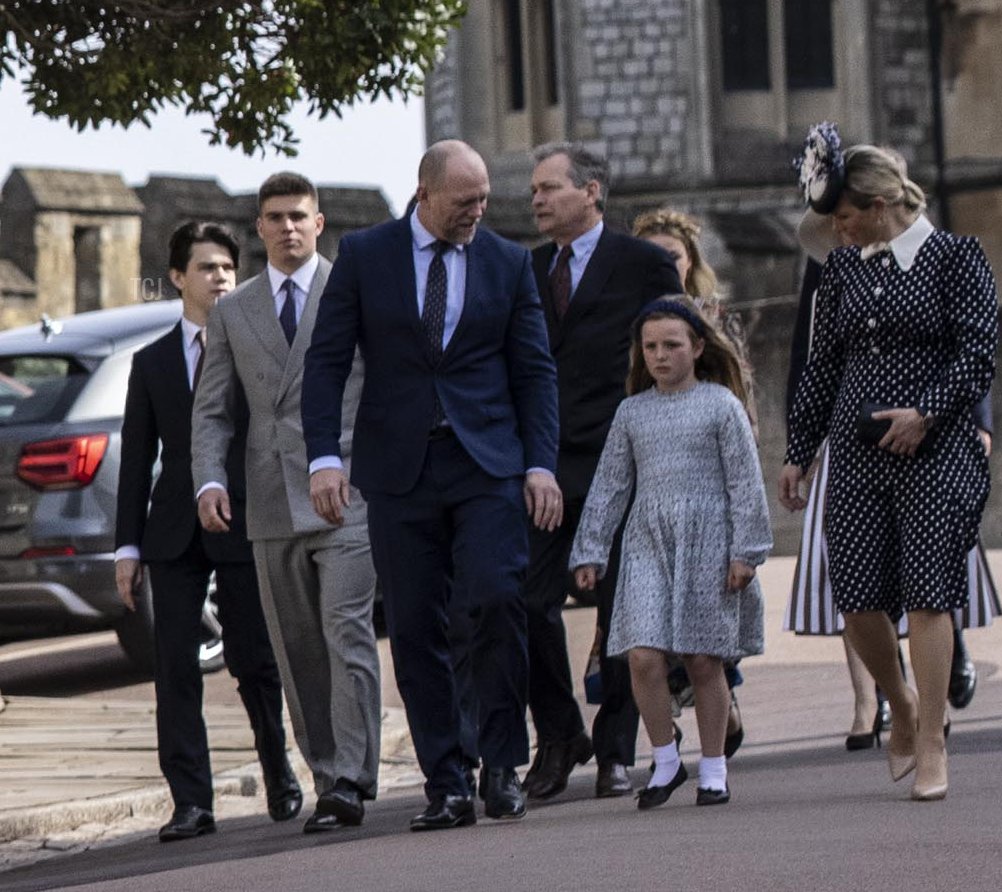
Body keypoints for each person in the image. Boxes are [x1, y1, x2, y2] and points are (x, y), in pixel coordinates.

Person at [302, 140, 562, 831]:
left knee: (497, 597)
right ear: (425, 193)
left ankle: (502, 764)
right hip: (398, 470)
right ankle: (446, 780)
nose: (479, 211)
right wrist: (323, 457)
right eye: (464, 200)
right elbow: (326, 362)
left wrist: (540, 463)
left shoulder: (508, 262)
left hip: (488, 465)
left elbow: (535, 372)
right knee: (416, 625)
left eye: (483, 199)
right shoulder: (365, 256)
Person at [778, 126, 998, 802]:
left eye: (843, 217)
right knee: (856, 600)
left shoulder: (957, 257)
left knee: (930, 592)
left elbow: (978, 353)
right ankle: (899, 705)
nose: (837, 231)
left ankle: (931, 738)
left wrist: (924, 413)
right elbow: (822, 367)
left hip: (934, 449)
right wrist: (798, 450)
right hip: (853, 450)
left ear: (878, 205)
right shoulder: (842, 270)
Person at [192, 173, 382, 834]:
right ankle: (327, 772)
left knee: (346, 630)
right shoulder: (233, 310)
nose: (288, 227)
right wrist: (208, 480)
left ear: (320, 222)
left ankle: (353, 778)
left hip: (347, 493)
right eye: (275, 217)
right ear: (259, 227)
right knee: (297, 648)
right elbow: (212, 410)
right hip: (270, 501)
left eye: (299, 215)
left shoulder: (351, 290)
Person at [115, 222, 300, 842]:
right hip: (171, 534)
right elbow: (138, 458)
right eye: (206, 268)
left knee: (256, 661)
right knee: (174, 668)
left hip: (245, 521)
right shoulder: (151, 362)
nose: (220, 278)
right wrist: (126, 548)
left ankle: (278, 770)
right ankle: (191, 802)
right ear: (176, 279)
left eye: (227, 267)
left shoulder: (255, 346)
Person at [523, 142, 683, 801]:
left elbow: (677, 351)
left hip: (622, 459)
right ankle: (561, 735)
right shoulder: (521, 269)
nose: (537, 199)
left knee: (623, 609)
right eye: (533, 189)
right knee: (526, 601)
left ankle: (617, 749)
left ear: (591, 191)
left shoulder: (646, 265)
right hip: (543, 467)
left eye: (550, 187)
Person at [570, 296, 771, 808]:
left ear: (698, 347)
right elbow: (612, 484)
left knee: (704, 659)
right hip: (646, 541)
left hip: (709, 539)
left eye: (672, 345)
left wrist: (746, 551)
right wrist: (590, 549)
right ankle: (663, 760)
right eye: (651, 347)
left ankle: (714, 766)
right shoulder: (632, 412)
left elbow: (745, 483)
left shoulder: (721, 405)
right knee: (641, 654)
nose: (660, 356)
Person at [630, 207, 750, 753]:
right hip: (651, 505)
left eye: (670, 257)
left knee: (704, 644)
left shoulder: (711, 325)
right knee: (646, 641)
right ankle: (666, 743)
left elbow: (739, 398)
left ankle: (715, 727)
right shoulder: (638, 331)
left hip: (707, 511)